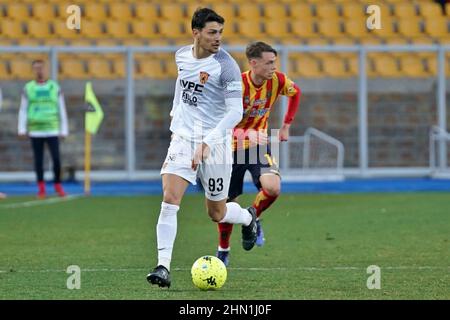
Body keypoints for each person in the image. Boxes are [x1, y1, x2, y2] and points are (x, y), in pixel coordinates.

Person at [146, 8, 257, 289]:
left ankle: (247, 217)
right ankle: (163, 267)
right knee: (170, 199)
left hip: (216, 144)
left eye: (220, 32)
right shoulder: (181, 55)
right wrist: (176, 114)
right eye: (211, 32)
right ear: (196, 33)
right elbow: (181, 87)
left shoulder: (227, 67)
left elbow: (234, 113)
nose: (218, 38)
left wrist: (208, 142)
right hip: (184, 138)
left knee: (216, 213)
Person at [216, 42, 301, 266]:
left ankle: (252, 217)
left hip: (257, 146)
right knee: (226, 204)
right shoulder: (237, 86)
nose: (274, 67)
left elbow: (296, 92)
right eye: (269, 62)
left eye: (275, 62)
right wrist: (245, 134)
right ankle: (223, 250)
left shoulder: (278, 81)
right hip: (229, 148)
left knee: (273, 187)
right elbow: (218, 121)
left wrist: (286, 125)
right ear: (253, 63)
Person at [18, 59, 68, 199]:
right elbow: (23, 109)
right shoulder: (28, 88)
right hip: (35, 130)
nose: (39, 70)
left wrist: (64, 129)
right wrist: (21, 128)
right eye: (36, 68)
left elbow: (61, 109)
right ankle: (41, 188)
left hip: (52, 129)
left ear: (46, 69)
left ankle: (57, 184)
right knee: (38, 160)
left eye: (41, 68)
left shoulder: (54, 87)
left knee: (56, 159)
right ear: (32, 70)